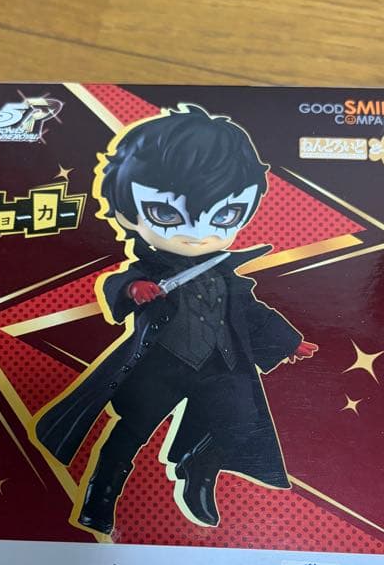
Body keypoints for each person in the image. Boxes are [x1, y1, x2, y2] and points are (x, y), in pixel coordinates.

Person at [35, 104, 318, 535]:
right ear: (127, 212)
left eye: (224, 216)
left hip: (221, 365)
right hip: (161, 364)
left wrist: (287, 341)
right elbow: (119, 285)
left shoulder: (223, 272)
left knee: (241, 420)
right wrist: (134, 290)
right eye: (166, 214)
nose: (198, 233)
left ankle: (198, 469)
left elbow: (247, 311)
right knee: (131, 431)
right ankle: (100, 497)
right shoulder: (148, 269)